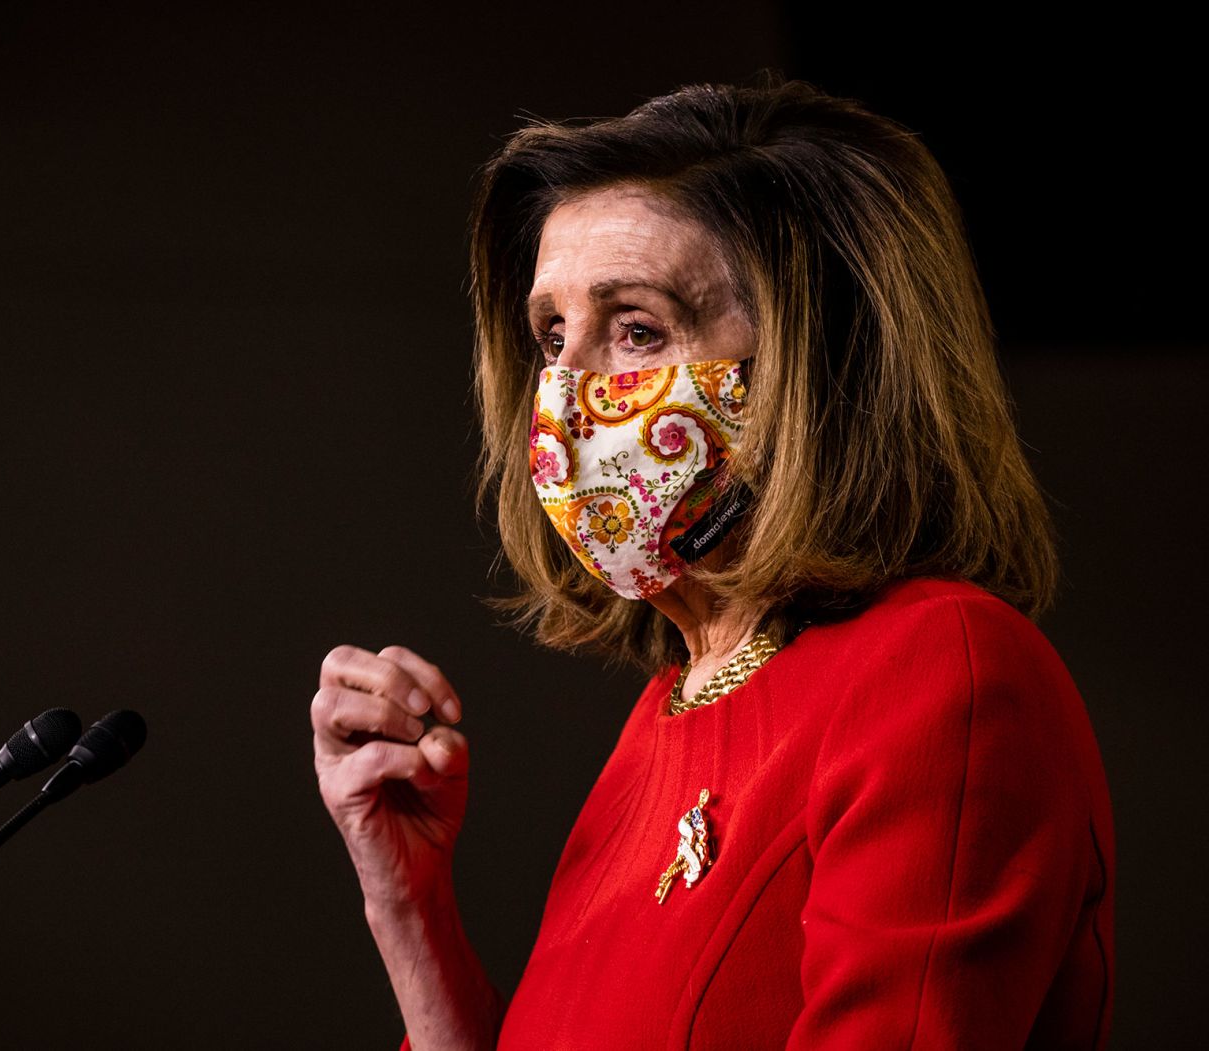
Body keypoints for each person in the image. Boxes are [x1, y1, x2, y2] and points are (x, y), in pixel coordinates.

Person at [310, 74, 1114, 1050]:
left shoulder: (944, 668)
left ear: (819, 362)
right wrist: (409, 908)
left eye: (637, 329)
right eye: (551, 335)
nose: (564, 393)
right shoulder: (671, 705)